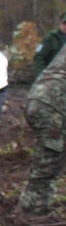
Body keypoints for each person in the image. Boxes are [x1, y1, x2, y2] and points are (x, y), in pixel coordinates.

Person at [19, 44, 66, 214]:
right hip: (53, 106)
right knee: (47, 168)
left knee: (47, 164)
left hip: (41, 100)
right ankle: (31, 217)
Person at [32, 12, 66, 79]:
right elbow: (39, 58)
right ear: (60, 23)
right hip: (53, 78)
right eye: (65, 23)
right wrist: (41, 77)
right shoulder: (50, 38)